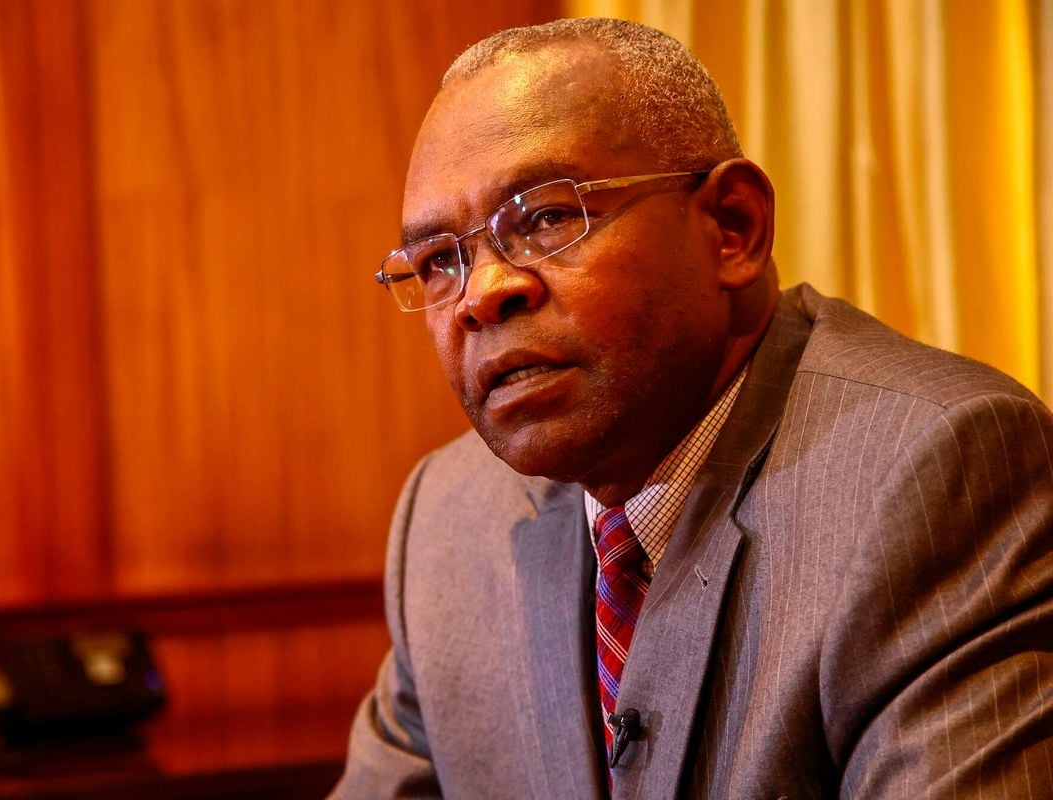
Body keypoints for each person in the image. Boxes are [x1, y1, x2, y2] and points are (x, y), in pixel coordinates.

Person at [331, 17, 1053, 799]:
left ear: (733, 228)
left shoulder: (937, 471)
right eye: (440, 260)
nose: (482, 293)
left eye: (547, 218)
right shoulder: (447, 518)